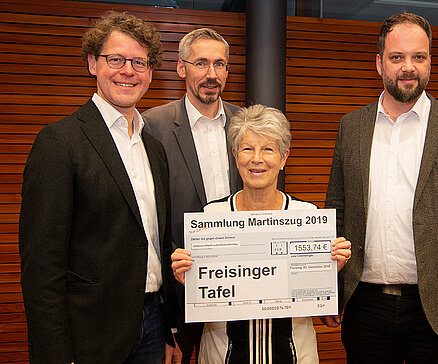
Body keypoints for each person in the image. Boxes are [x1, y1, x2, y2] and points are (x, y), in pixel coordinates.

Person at [324, 12, 438, 364]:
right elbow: (337, 212)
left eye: (418, 57)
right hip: (364, 304)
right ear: (379, 63)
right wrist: (329, 292)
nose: (408, 67)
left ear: (430, 62)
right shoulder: (351, 127)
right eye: (397, 57)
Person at [19, 12, 176, 364]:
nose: (128, 71)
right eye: (116, 59)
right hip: (88, 336)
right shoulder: (59, 142)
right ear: (93, 63)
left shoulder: (154, 148)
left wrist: (168, 330)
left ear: (150, 73)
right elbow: (42, 267)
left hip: (151, 325)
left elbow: (154, 242)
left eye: (139, 62)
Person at [170, 104, 351, 363]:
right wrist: (185, 279)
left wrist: (332, 268)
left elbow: (327, 306)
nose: (257, 158)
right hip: (222, 355)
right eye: (247, 148)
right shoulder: (210, 217)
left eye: (268, 149)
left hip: (295, 355)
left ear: (284, 157)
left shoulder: (306, 216)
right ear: (235, 155)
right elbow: (195, 302)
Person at [143, 28, 242, 363]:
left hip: (240, 281)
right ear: (182, 68)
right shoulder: (151, 126)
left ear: (228, 70)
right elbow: (151, 217)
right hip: (178, 287)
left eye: (219, 64)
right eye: (201, 63)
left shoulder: (247, 123)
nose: (211, 74)